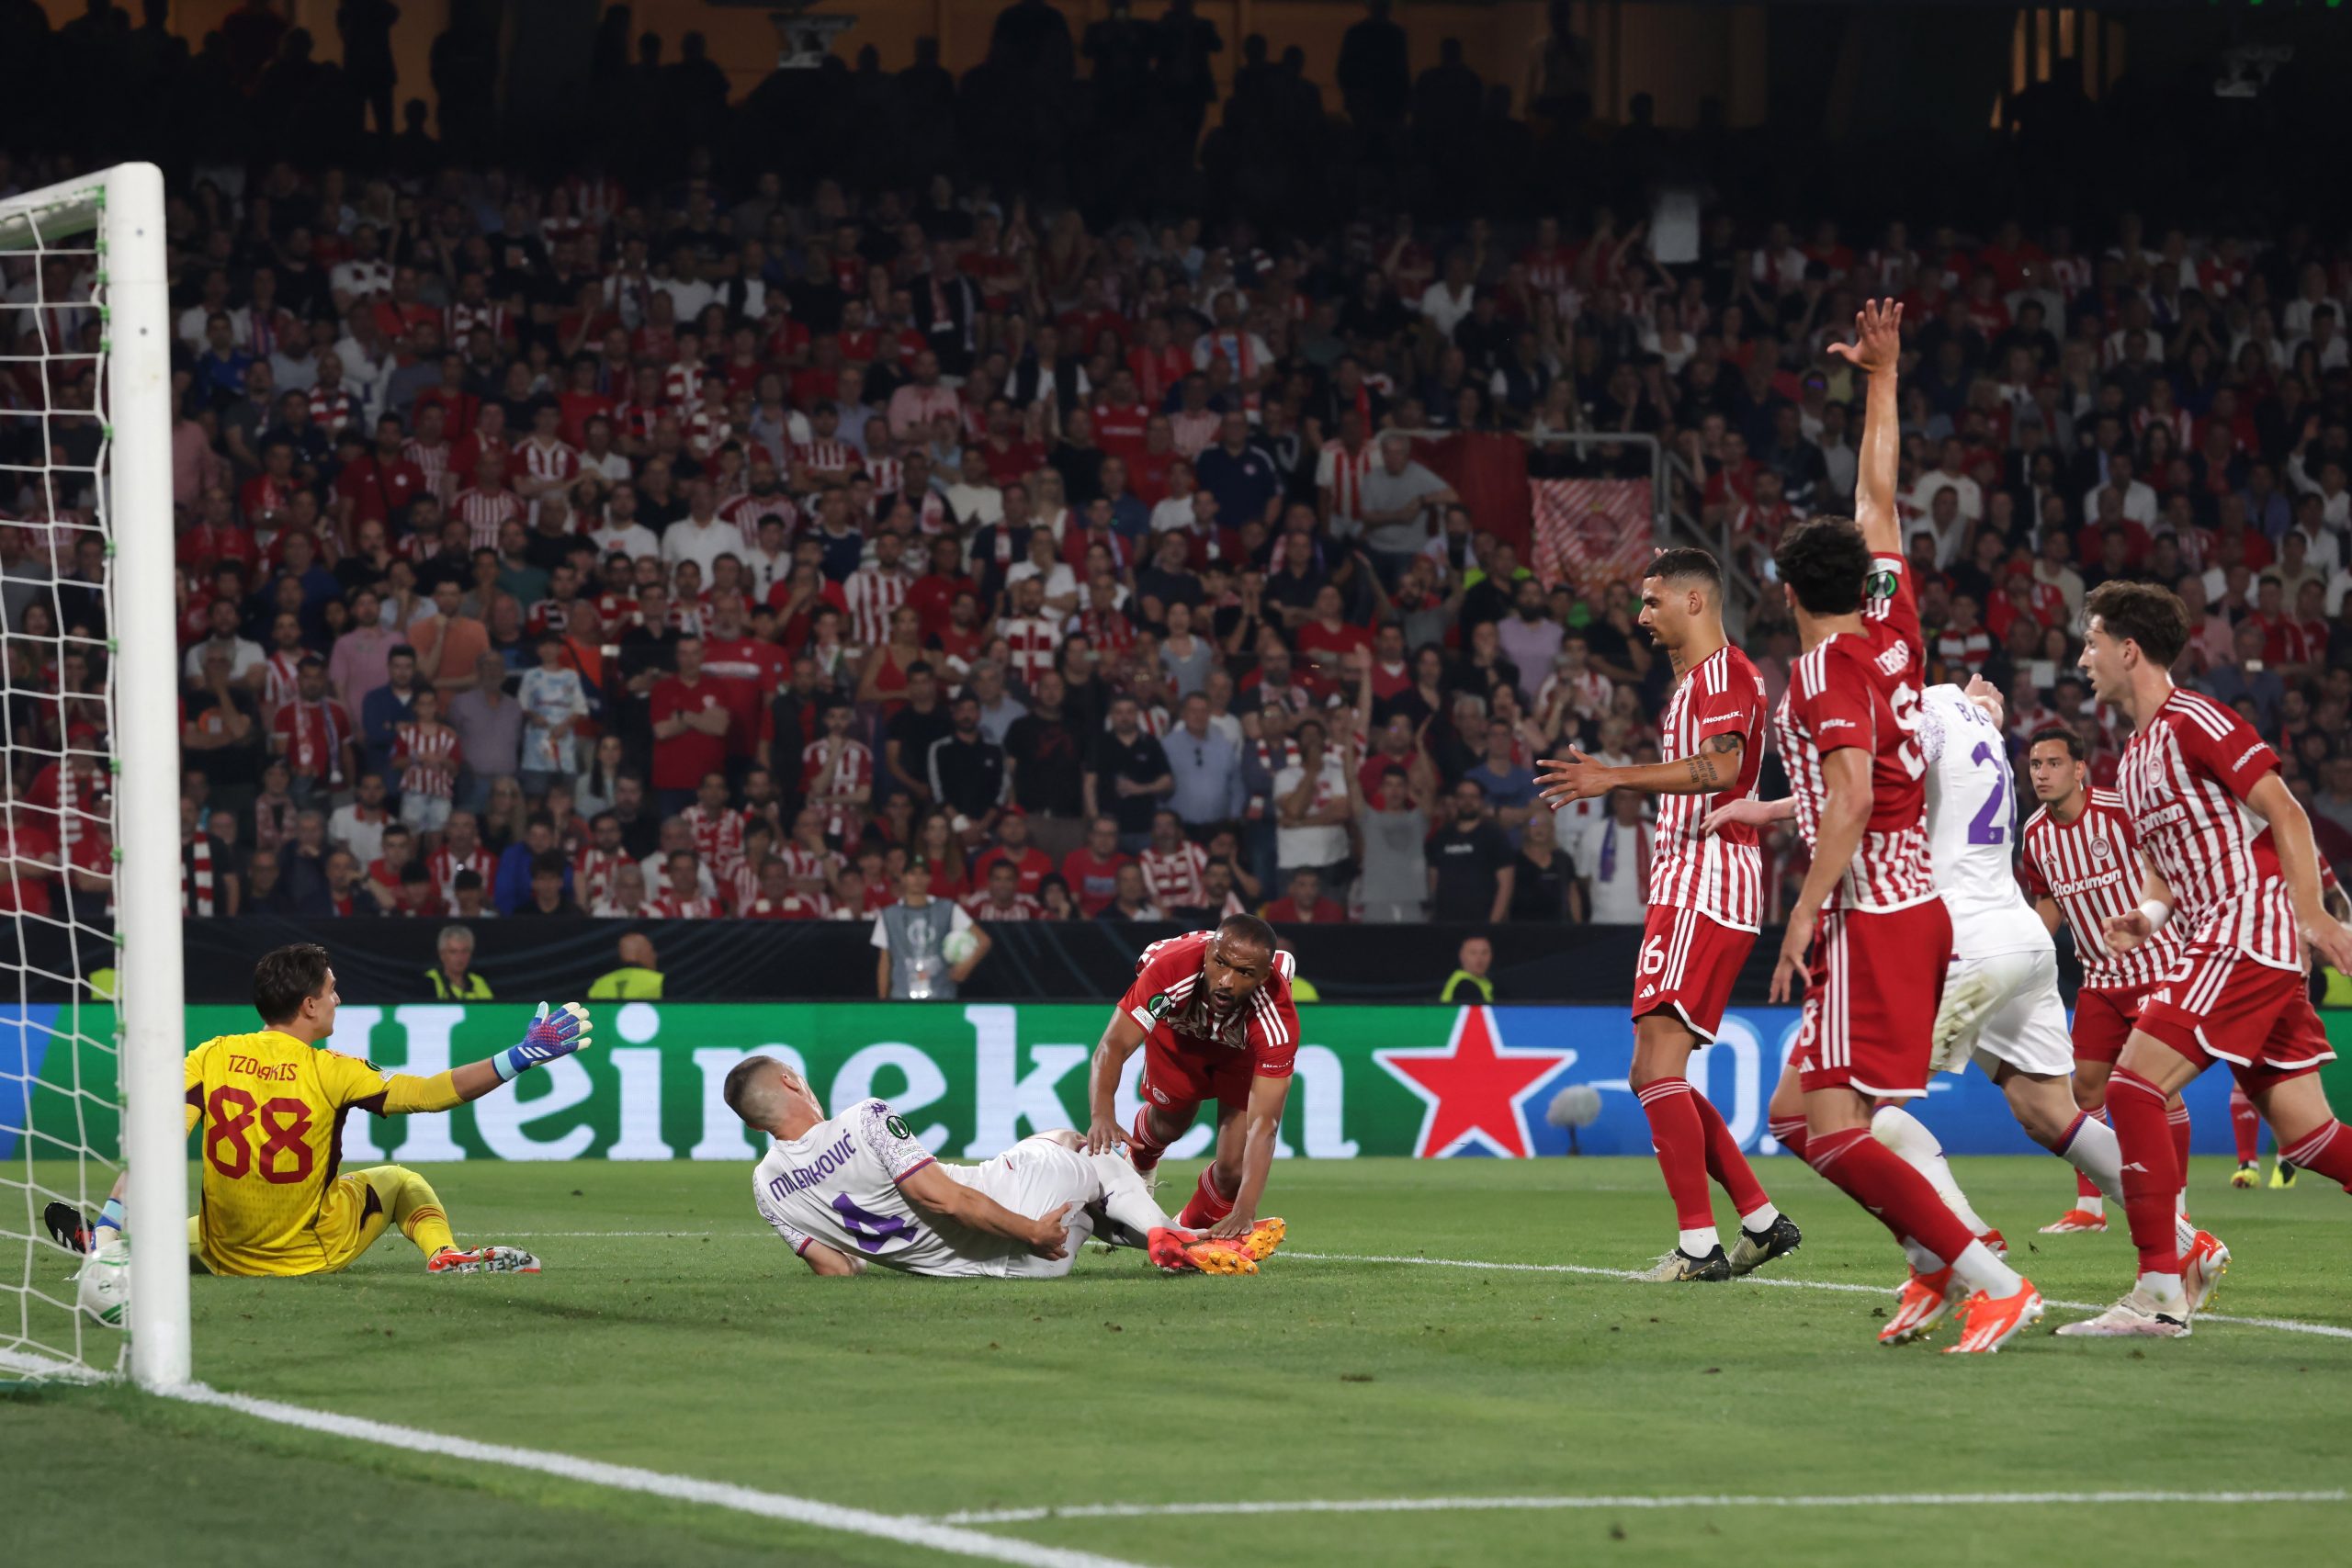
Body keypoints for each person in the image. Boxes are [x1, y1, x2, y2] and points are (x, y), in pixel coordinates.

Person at [1755, 301, 2042, 1354]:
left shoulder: (1825, 669)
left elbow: (1847, 798)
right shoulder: (1891, 633)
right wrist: (1880, 377)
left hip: (1872, 912)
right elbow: (1878, 495)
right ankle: (1934, 1263)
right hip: (1903, 907)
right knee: (1798, 1117)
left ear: (1786, 591)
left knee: (1827, 1134)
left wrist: (1801, 912)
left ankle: (1988, 1274)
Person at [2057, 579, 2352, 1338]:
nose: (2082, 657)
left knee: (2130, 1086)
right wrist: (2148, 913)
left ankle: (2160, 1290)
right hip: (2220, 936)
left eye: (2092, 643)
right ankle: (2162, 1284)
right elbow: (2165, 866)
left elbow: (2283, 807)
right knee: (2311, 1137)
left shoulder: (2196, 719)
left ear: (2128, 650)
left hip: (2244, 931)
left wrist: (2314, 910)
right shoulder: (2135, 753)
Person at [1534, 546, 1792, 1280]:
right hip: (1692, 882)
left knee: (1653, 1068)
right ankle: (1761, 1219)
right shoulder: (1691, 681)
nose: (1641, 615)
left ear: (1695, 601)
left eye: (1652, 601)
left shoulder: (1726, 675)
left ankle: (1698, 1246)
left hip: (1705, 882)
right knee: (1661, 1071)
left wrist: (1613, 775)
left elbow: (1723, 768)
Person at [49, 944, 583, 1278]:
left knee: (165, 1236)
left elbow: (157, 1145)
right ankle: (443, 1253)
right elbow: (431, 1093)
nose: (338, 999)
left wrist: (112, 1219)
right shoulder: (333, 1070)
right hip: (306, 1253)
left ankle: (111, 1242)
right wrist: (519, 1057)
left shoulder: (209, 1055)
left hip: (226, 1249)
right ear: (308, 1005)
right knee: (399, 1181)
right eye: (331, 990)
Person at [724, 1055, 1257, 1279]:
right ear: (794, 1082)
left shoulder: (767, 1187)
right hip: (1023, 1228)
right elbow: (944, 1199)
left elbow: (837, 1269)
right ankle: (1176, 1234)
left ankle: (1173, 1236)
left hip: (1011, 1272)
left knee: (1058, 1150)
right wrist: (1029, 1232)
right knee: (1089, 1153)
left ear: (755, 1126)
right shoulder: (864, 1120)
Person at [2017, 726, 2192, 1233]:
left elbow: (2171, 871)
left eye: (2052, 764)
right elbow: (2046, 901)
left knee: (2160, 1091)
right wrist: (2028, 949)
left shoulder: (2120, 811)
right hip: (2098, 976)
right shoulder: (2035, 834)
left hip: (2156, 968)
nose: (2042, 774)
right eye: (2035, 765)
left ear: (2079, 768)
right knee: (2085, 1090)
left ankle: (2177, 1205)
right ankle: (2090, 1210)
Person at [1082, 916, 1298, 1247]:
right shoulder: (1172, 970)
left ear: (1264, 976)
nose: (1226, 981)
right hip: (1179, 1029)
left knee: (1232, 1173)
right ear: (1208, 952)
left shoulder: (1275, 1017)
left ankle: (1183, 1239)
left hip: (1239, 1050)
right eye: (1220, 964)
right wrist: (1102, 1114)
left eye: (1244, 973)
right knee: (1170, 1124)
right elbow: (1113, 1046)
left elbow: (1265, 1124)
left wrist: (1245, 1208)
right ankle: (1140, 1162)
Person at [872, 860, 990, 999]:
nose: (918, 879)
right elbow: (885, 961)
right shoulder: (889, 915)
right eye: (912, 874)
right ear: (903, 877)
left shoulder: (947, 908)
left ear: (930, 879)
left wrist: (966, 966)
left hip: (941, 996)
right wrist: (882, 1000)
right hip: (902, 997)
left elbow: (983, 941)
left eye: (923, 874)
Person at [587, 932, 665, 998]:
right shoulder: (660, 981)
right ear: (640, 953)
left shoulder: (600, 984)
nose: (655, 956)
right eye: (651, 951)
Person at [425, 922, 492, 998]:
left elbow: (491, 1010)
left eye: (465, 951)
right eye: (453, 952)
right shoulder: (429, 981)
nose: (459, 957)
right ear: (442, 954)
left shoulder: (478, 982)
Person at [1439, 934, 1495, 1002]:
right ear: (1462, 956)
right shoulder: (1464, 985)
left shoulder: (1484, 981)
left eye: (1484, 953)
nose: (1479, 958)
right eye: (1473, 953)